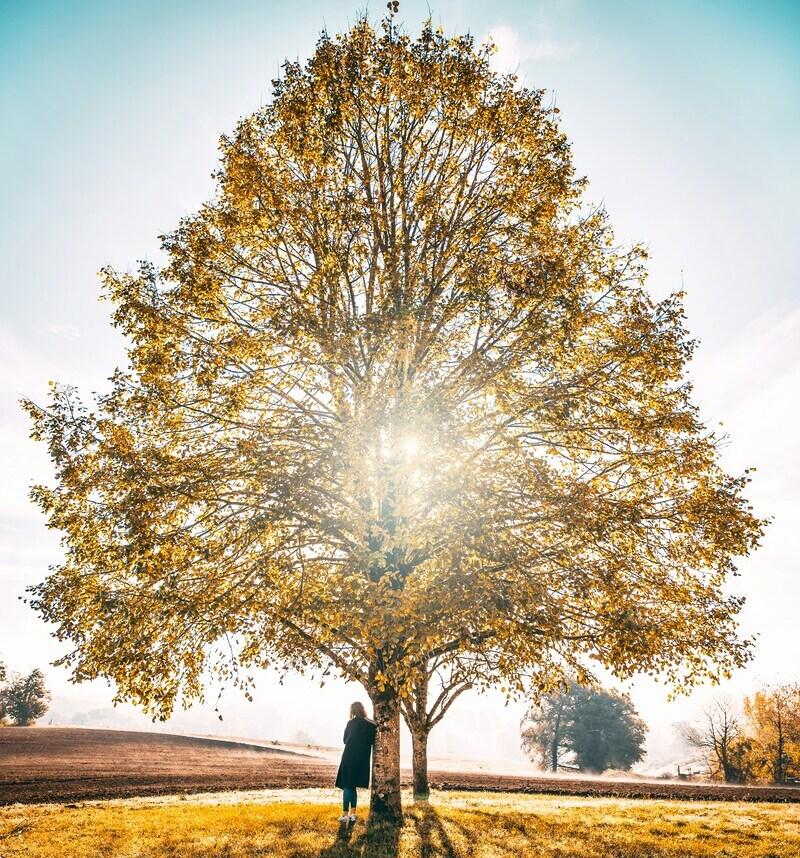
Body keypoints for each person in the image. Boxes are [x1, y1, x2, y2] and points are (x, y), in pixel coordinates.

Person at [334, 701, 376, 824]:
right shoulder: (371, 725)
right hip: (362, 760)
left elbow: (345, 740)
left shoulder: (351, 723)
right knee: (352, 786)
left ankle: (344, 814)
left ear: (352, 711)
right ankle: (353, 814)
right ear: (363, 710)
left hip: (349, 757)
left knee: (347, 785)